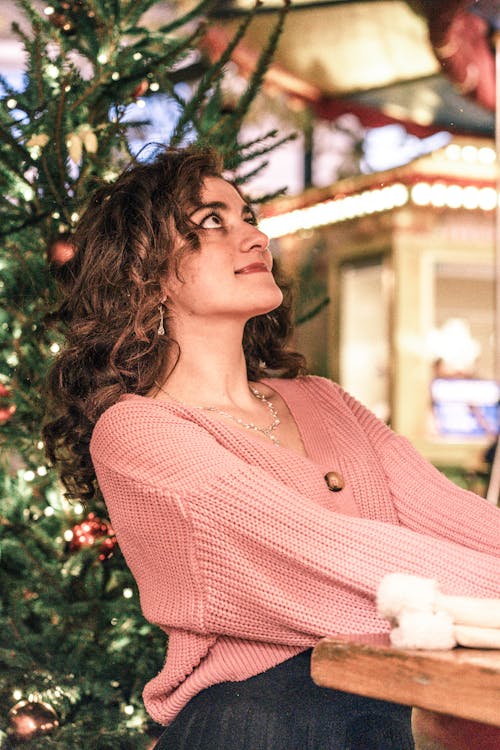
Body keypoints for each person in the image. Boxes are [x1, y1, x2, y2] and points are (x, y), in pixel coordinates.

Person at [43, 145, 500, 750]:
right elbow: (329, 562)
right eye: (211, 221)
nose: (255, 238)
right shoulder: (137, 432)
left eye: (249, 217)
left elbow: (466, 525)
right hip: (257, 726)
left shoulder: (325, 402)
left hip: (382, 718)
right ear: (143, 273)